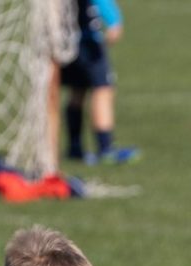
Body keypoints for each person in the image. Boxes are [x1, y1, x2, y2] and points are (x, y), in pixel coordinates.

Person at [61, 1, 138, 166]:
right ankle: (106, 148)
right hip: (88, 41)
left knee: (78, 89)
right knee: (103, 90)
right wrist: (113, 20)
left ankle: (75, 147)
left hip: (67, 38)